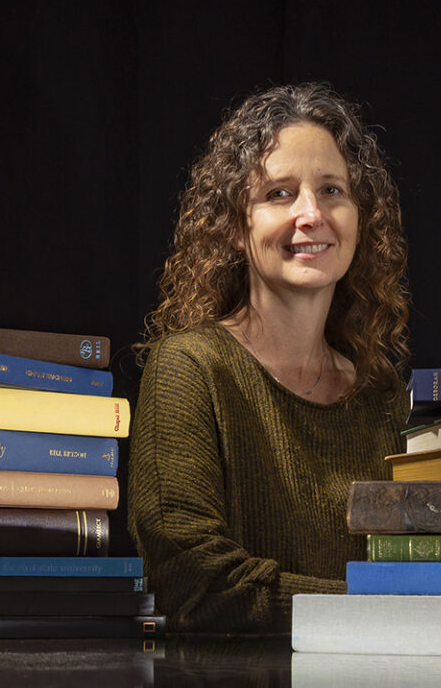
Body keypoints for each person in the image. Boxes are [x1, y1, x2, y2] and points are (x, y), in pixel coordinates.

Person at [129, 83, 411, 632]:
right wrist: (392, 610)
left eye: (332, 189)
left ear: (360, 219)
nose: (311, 214)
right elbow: (199, 586)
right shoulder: (188, 372)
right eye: (279, 194)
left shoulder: (380, 394)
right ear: (236, 227)